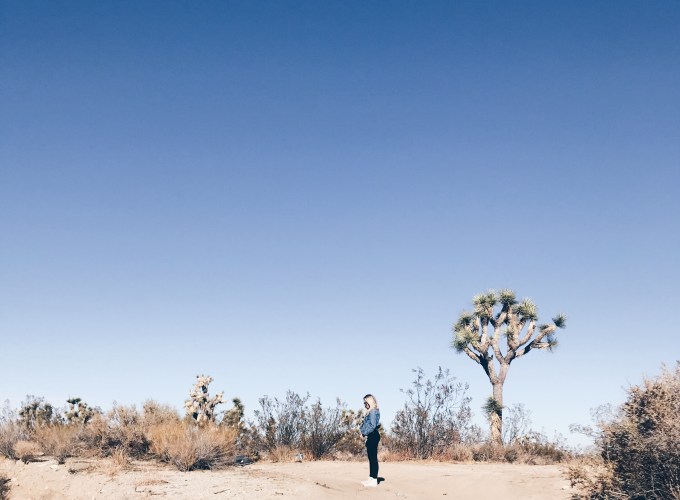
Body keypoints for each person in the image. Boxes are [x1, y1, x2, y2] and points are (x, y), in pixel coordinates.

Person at [360, 394, 380, 487]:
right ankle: (371, 478)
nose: (365, 404)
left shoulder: (373, 411)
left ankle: (374, 480)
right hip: (371, 435)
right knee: (371, 458)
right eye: (364, 403)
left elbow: (372, 426)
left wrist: (364, 433)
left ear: (370, 402)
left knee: (373, 459)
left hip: (373, 435)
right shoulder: (371, 412)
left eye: (366, 402)